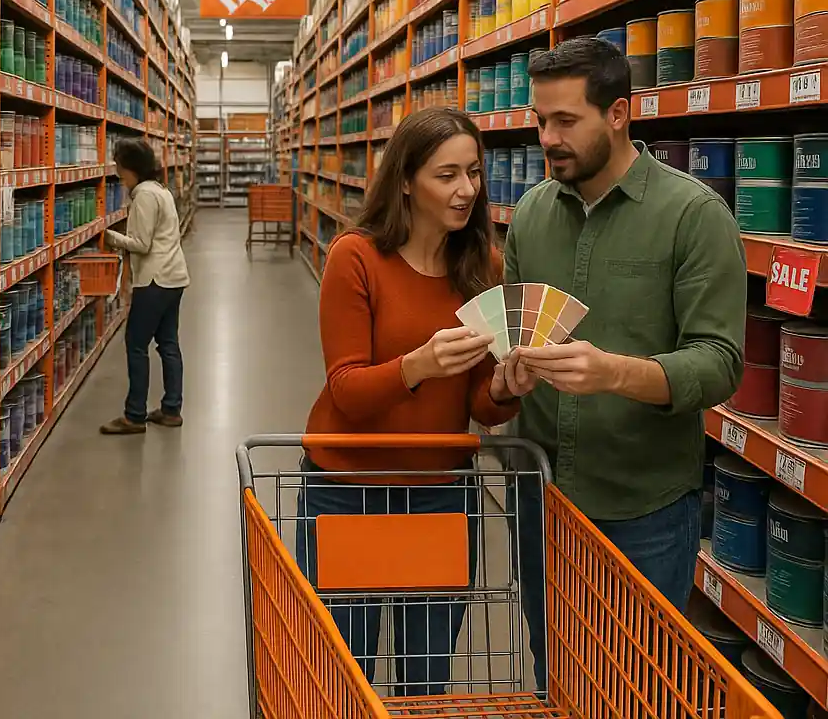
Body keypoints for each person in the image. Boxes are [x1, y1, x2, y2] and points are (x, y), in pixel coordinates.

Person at [494, 38, 746, 690]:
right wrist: (508, 375)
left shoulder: (692, 216)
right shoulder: (529, 216)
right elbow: (518, 342)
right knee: (557, 671)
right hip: (543, 497)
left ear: (618, 114)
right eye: (540, 119)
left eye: (566, 121)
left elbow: (719, 363)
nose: (548, 138)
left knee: (635, 688)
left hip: (645, 510)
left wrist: (616, 374)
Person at [296, 107, 519, 697]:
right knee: (345, 672)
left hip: (441, 492)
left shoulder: (483, 268)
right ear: (404, 180)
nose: (466, 189)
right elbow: (346, 390)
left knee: (428, 674)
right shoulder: (357, 258)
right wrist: (417, 367)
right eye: (446, 175)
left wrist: (503, 389)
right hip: (350, 490)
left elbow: (481, 401)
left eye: (473, 172)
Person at [100, 138, 190, 435]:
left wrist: (111, 237)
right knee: (168, 344)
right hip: (173, 277)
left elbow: (141, 244)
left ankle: (134, 415)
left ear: (130, 167)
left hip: (155, 280)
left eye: (119, 166)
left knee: (136, 344)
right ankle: (171, 409)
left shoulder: (144, 196)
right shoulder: (160, 190)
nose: (117, 173)